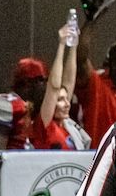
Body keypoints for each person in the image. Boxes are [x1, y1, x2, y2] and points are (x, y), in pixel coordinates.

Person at [32, 22, 91, 150]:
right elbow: (53, 88)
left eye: (66, 98)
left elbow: (69, 80)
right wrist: (62, 44)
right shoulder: (44, 125)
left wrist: (73, 45)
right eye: (59, 100)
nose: (67, 103)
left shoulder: (67, 125)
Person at [0, 57, 48, 149]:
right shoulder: (9, 105)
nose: (46, 87)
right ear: (28, 82)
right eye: (43, 81)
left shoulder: (31, 108)